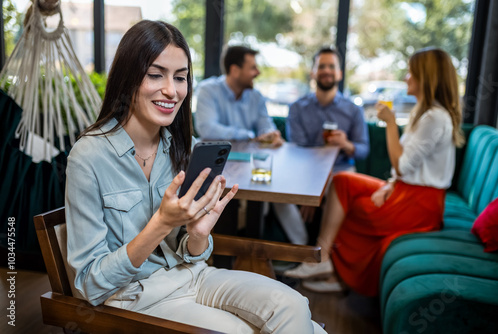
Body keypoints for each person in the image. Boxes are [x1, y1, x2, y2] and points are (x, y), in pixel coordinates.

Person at [65, 20, 326, 334]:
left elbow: (193, 251)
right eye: (155, 74)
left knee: (295, 306)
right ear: (127, 77)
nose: (172, 91)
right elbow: (88, 284)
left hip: (195, 276)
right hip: (136, 299)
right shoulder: (89, 156)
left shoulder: (183, 147)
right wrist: (161, 223)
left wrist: (198, 234)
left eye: (180, 77)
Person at [284, 47, 464, 295]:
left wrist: (390, 123)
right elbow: (406, 170)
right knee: (343, 182)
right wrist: (390, 185)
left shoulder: (434, 118)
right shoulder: (423, 114)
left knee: (352, 204)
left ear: (426, 77)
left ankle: (335, 271)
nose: (406, 78)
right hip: (404, 189)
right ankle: (323, 259)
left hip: (419, 204)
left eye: (411, 73)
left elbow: (401, 165)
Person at [195, 46, 308, 245]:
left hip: (250, 169)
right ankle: (224, 258)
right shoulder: (208, 90)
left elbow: (266, 128)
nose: (257, 73)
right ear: (235, 70)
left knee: (272, 190)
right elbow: (207, 129)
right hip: (219, 168)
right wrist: (248, 135)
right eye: (253, 67)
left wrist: (271, 136)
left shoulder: (256, 97)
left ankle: (297, 253)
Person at [287, 47, 370, 233]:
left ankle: (322, 250)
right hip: (305, 169)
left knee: (339, 184)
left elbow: (364, 149)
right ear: (313, 73)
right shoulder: (297, 108)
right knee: (279, 192)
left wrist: (346, 144)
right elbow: (296, 149)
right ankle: (298, 246)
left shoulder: (353, 110)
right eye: (321, 66)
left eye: (331, 66)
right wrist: (311, 188)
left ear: (339, 74)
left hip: (340, 170)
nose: (326, 70)